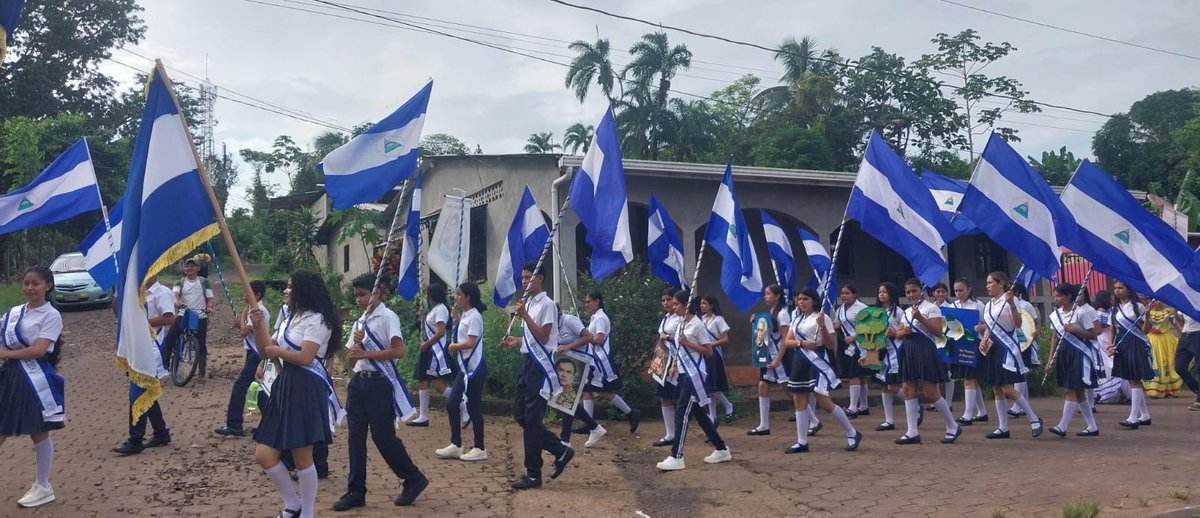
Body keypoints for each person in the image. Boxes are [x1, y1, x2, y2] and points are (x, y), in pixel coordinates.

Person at [248, 270, 345, 518]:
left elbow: (305, 357)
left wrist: (276, 352)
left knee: (302, 456)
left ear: (303, 290)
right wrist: (258, 324)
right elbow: (265, 350)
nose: (286, 291)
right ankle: (293, 504)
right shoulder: (290, 317)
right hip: (285, 385)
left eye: (290, 287)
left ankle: (307, 513)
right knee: (264, 454)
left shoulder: (319, 320)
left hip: (305, 387)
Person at [332, 273, 428, 512]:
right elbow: (352, 362)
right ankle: (356, 490)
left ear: (378, 294)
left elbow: (398, 351)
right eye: (356, 296)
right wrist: (356, 350)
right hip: (359, 384)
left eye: (363, 294)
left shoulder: (388, 317)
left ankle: (413, 477)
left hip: (379, 384)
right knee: (355, 437)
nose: (359, 300)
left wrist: (365, 353)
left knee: (382, 436)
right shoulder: (359, 323)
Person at [500, 261, 574, 490]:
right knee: (520, 415)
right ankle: (561, 450)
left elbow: (544, 337)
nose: (524, 282)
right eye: (522, 278)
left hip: (540, 368)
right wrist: (517, 341)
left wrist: (524, 316)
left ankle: (533, 473)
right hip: (527, 363)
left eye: (528, 277)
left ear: (540, 278)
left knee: (532, 420)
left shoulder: (547, 305)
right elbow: (532, 339)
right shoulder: (529, 303)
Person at [0, 266, 65, 508]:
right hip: (10, 375)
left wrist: (6, 353)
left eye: (34, 283)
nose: (29, 288)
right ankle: (43, 486)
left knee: (38, 431)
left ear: (47, 286)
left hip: (33, 378)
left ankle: (43, 485)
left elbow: (39, 349)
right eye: (26, 283)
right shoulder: (15, 313)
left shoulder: (51, 315)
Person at [773, 287, 862, 453]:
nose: (801, 302)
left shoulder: (823, 318)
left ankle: (852, 432)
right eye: (799, 299)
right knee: (799, 399)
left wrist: (821, 327)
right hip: (800, 360)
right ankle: (802, 441)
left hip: (818, 360)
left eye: (805, 299)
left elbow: (829, 343)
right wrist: (802, 343)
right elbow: (788, 342)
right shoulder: (797, 319)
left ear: (813, 300)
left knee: (824, 401)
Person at [656, 291, 731, 470]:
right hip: (682, 372)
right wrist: (674, 364)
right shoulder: (681, 323)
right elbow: (679, 349)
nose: (673, 307)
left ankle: (677, 455)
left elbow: (708, 351)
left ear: (685, 305)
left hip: (695, 374)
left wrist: (688, 343)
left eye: (676, 304)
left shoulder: (697, 325)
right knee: (699, 414)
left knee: (681, 413)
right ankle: (721, 448)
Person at [893, 279, 962, 445]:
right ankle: (912, 431)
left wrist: (921, 319)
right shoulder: (907, 311)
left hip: (924, 349)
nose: (911, 295)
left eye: (914, 291)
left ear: (922, 291)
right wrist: (902, 332)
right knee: (908, 389)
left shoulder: (932, 308)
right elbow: (899, 333)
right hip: (908, 349)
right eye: (908, 292)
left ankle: (952, 426)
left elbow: (938, 332)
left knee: (930, 392)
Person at [113, 273, 174, 454]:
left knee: (137, 393)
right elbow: (119, 311)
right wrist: (119, 292)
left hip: (151, 348)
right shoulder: (135, 291)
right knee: (148, 392)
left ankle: (136, 439)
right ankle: (161, 432)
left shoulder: (162, 292)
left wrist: (140, 322)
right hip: (135, 347)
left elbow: (169, 318)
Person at [978, 271, 1043, 440]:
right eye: (987, 283)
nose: (987, 286)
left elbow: (1018, 323)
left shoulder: (1011, 300)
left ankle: (1034, 418)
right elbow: (989, 327)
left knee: (1007, 388)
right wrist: (984, 340)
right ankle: (1003, 427)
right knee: (996, 388)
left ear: (1001, 284)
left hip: (1006, 348)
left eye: (991, 282)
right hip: (993, 348)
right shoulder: (989, 305)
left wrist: (1011, 304)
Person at [436, 282, 488, 460]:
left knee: (473, 407)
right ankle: (456, 444)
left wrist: (455, 345)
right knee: (452, 403)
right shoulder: (466, 315)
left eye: (459, 294)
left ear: (468, 297)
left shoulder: (475, 317)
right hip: (464, 369)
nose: (456, 297)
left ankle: (480, 447)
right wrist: (457, 321)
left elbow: (471, 343)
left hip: (475, 368)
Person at [575, 291, 641, 433]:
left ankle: (631, 412)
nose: (586, 305)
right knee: (588, 390)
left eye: (588, 302)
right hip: (593, 359)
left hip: (600, 360)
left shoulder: (600, 318)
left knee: (604, 392)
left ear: (597, 301)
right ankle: (589, 422)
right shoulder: (595, 318)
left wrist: (586, 338)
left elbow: (599, 339)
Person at [1045, 283, 1101, 437]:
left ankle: (1062, 426)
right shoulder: (1056, 315)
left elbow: (1094, 335)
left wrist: (1076, 330)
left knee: (1070, 390)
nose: (1057, 299)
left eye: (1060, 296)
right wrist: (1050, 359)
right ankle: (1092, 426)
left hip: (1079, 354)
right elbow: (1055, 337)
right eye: (1055, 296)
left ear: (1069, 296)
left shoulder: (1081, 313)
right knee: (1079, 392)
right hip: (1064, 353)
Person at [217, 280, 269, 437]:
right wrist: (240, 320)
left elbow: (244, 331)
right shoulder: (250, 309)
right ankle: (269, 422)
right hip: (251, 352)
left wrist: (242, 321)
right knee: (259, 389)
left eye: (248, 292)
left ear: (257, 295)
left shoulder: (259, 311)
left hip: (257, 353)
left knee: (240, 386)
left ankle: (234, 424)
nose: (245, 294)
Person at [553, 307, 607, 448]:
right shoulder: (553, 326)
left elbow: (589, 337)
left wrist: (568, 346)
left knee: (567, 400)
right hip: (570, 362)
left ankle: (565, 441)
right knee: (568, 400)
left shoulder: (569, 320)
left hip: (583, 362)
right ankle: (594, 428)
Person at [1108, 281, 1154, 429]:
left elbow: (1145, 330)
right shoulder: (1114, 309)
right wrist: (1110, 344)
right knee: (1130, 378)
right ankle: (1144, 415)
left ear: (1128, 290)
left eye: (1121, 288)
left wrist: (1147, 315)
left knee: (1135, 379)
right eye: (1115, 288)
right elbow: (1112, 329)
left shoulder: (1138, 307)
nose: (1117, 291)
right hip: (1122, 344)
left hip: (1136, 343)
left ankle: (1133, 417)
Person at [409, 283, 455, 427]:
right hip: (429, 350)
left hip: (436, 351)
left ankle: (462, 402)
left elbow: (440, 332)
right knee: (423, 381)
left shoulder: (441, 309)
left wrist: (427, 344)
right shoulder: (434, 309)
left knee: (439, 385)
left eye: (428, 294)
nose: (427, 297)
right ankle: (423, 416)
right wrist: (423, 317)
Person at [748, 285, 791, 436]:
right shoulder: (770, 313)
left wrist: (778, 359)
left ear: (777, 296)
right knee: (762, 386)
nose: (765, 297)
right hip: (769, 356)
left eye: (768, 294)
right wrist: (757, 322)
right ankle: (763, 425)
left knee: (790, 390)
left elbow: (786, 338)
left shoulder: (783, 314)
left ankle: (812, 420)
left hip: (781, 357)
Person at [949, 279, 989, 425]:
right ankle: (982, 411)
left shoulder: (978, 305)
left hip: (974, 344)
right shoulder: (952, 306)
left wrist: (981, 328)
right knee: (970, 378)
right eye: (956, 291)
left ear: (969, 289)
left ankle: (967, 414)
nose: (958, 294)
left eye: (961, 290)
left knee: (969, 378)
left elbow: (988, 324)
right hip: (959, 344)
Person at [170, 258, 214, 382]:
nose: (189, 268)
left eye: (192, 266)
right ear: (184, 269)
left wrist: (209, 307)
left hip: (200, 315)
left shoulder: (204, 282)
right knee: (171, 338)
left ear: (197, 269)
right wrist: (177, 302)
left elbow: (209, 298)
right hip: (184, 313)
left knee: (201, 344)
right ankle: (166, 362)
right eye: (187, 266)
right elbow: (175, 295)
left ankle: (201, 372)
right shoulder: (180, 282)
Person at [870, 282, 904, 432]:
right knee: (884, 385)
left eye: (884, 292)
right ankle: (888, 420)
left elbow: (904, 332)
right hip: (882, 351)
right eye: (879, 292)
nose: (882, 294)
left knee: (892, 386)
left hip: (896, 351)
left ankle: (914, 406)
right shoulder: (876, 312)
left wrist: (894, 333)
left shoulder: (899, 312)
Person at [651, 287, 682, 447]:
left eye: (669, 300)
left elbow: (681, 339)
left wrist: (667, 337)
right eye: (663, 300)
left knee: (678, 397)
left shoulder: (679, 319)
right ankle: (670, 433)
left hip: (677, 360)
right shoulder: (665, 318)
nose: (666, 303)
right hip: (664, 359)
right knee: (664, 397)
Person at [833, 286, 871, 417]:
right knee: (859, 375)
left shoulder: (862, 308)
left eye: (847, 293)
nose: (844, 296)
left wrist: (855, 336)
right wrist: (836, 326)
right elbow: (838, 327)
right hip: (847, 346)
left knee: (854, 374)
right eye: (842, 293)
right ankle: (864, 405)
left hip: (860, 345)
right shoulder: (839, 310)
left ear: (854, 294)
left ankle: (853, 406)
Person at [699, 295, 735, 425]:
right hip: (703, 354)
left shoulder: (718, 320)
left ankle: (728, 405)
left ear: (711, 305)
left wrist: (710, 345)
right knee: (709, 387)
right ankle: (712, 416)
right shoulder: (700, 320)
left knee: (713, 385)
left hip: (715, 355)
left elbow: (725, 339)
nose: (701, 306)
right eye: (701, 304)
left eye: (704, 303)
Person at [1008, 282, 1040, 418]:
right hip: (1010, 341)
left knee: (1019, 372)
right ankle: (1023, 404)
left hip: (1023, 341)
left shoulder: (1025, 305)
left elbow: (1035, 323)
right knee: (1019, 373)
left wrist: (1034, 334)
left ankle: (1017, 405)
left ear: (1016, 292)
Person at [1144, 301, 1183, 399]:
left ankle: (1168, 389)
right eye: (1155, 300)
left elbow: (1176, 325)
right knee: (1155, 363)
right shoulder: (1148, 312)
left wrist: (1184, 334)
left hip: (1166, 341)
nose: (1158, 302)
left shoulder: (1168, 312)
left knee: (1167, 363)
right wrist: (1147, 315)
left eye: (1160, 300)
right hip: (1152, 340)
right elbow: (1145, 328)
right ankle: (1154, 389)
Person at [1174, 311, 1200, 410]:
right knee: (1179, 367)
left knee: (1198, 368)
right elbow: (1182, 321)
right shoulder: (1185, 299)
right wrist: (1176, 315)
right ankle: (1198, 389)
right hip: (1185, 335)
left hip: (1198, 334)